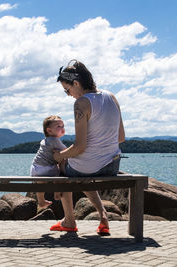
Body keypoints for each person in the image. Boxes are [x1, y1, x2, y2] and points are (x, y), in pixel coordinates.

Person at [51, 60, 125, 235]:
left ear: (76, 83)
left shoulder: (82, 103)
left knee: (63, 169)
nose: (68, 95)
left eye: (67, 90)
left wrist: (59, 155)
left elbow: (80, 146)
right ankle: (103, 216)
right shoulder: (111, 97)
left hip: (89, 167)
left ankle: (69, 221)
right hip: (112, 166)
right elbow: (120, 137)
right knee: (81, 168)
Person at [30, 115, 67, 209]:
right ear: (49, 130)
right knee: (60, 173)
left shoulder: (45, 140)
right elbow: (67, 152)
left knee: (40, 184)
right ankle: (57, 193)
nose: (62, 128)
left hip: (35, 168)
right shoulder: (55, 140)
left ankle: (41, 201)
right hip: (46, 169)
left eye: (63, 126)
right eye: (59, 126)